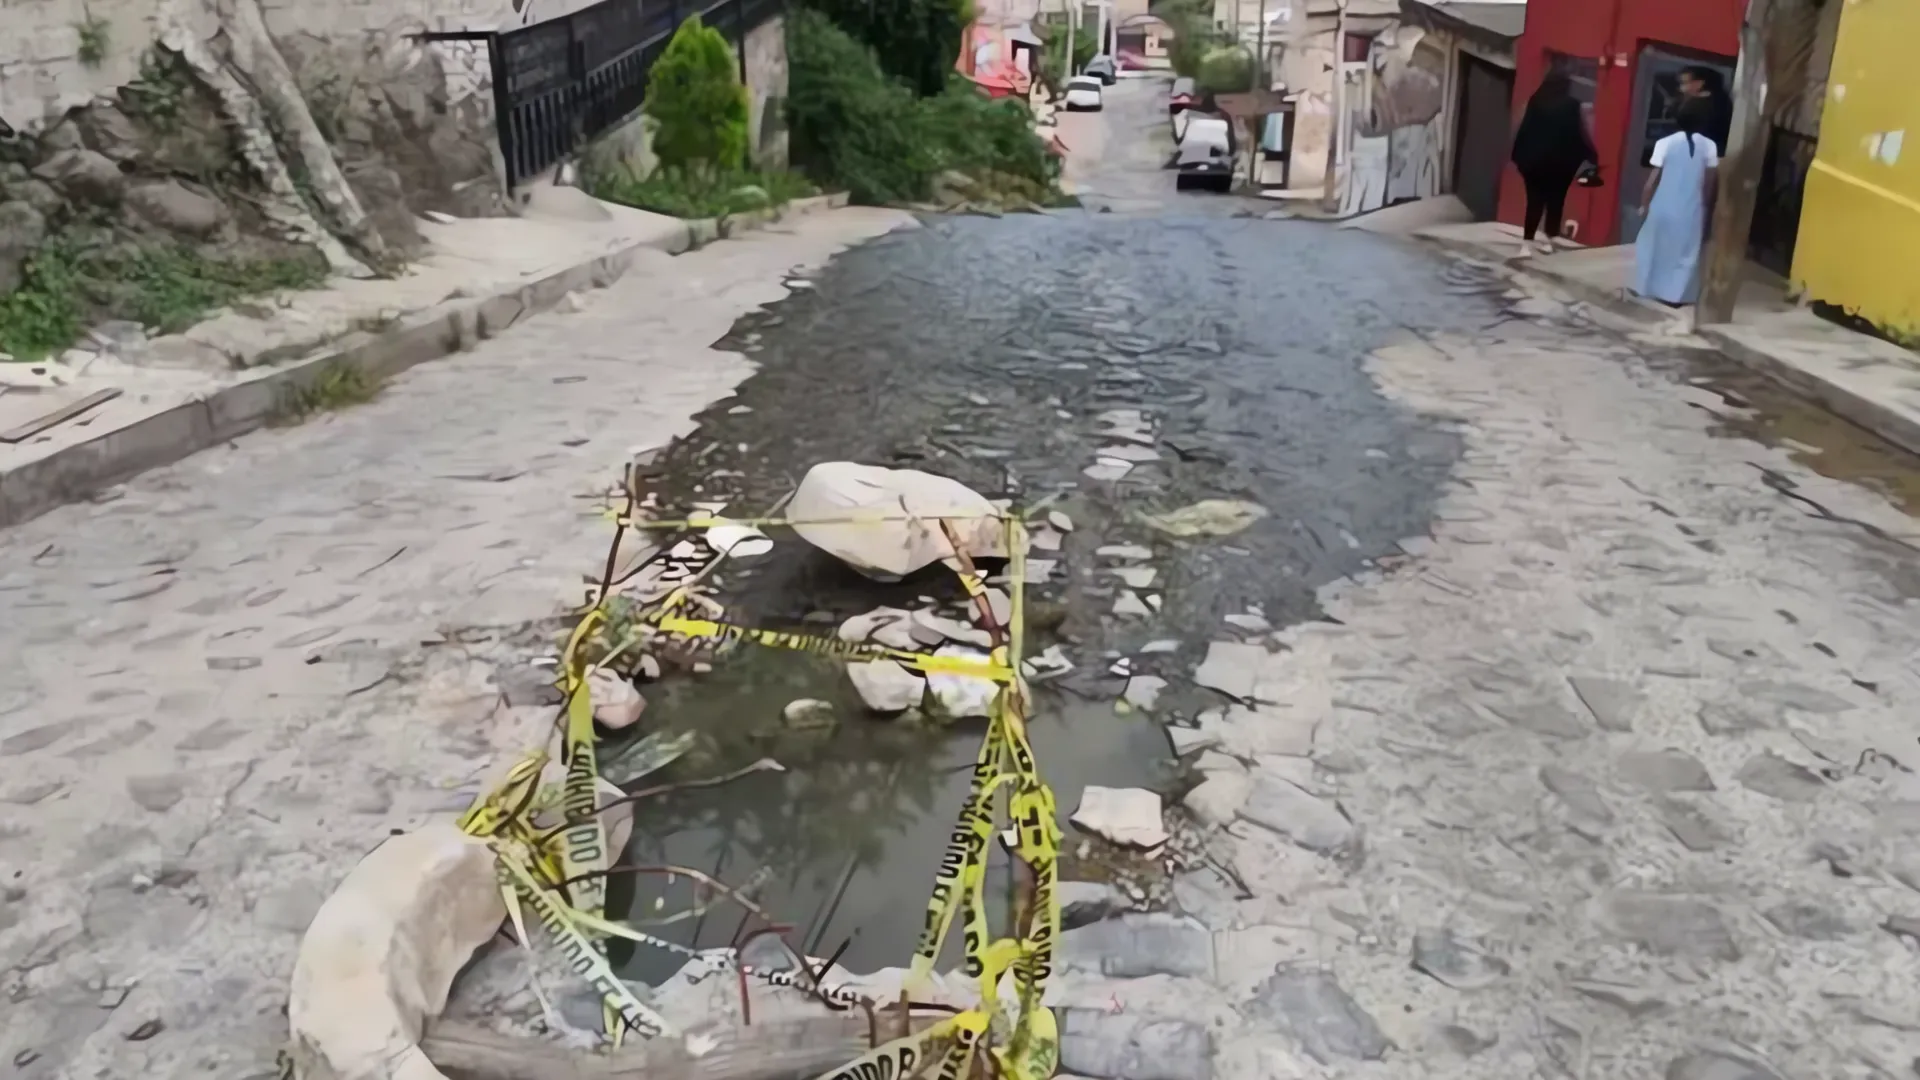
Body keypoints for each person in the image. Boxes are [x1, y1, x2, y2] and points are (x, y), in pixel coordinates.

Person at [1632, 97, 1719, 306]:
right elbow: (1709, 184)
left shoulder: (1665, 143)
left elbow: (1652, 181)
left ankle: (1645, 288)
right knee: (1686, 254)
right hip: (1691, 208)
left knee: (1651, 247)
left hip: (1662, 206)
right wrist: (1705, 208)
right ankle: (1675, 296)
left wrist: (1644, 205)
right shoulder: (1709, 146)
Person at [1509, 72, 1597, 257]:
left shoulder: (1536, 101)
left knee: (1534, 202)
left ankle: (1526, 245)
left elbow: (1526, 128)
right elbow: (1579, 132)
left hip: (1534, 163)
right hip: (1560, 164)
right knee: (1556, 202)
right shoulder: (1572, 105)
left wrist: (1518, 154)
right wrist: (1590, 153)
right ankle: (1549, 241)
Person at [1678, 66, 1733, 155]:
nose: (1682, 87)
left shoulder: (1698, 105)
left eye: (1685, 83)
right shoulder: (1721, 101)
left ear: (1700, 83)